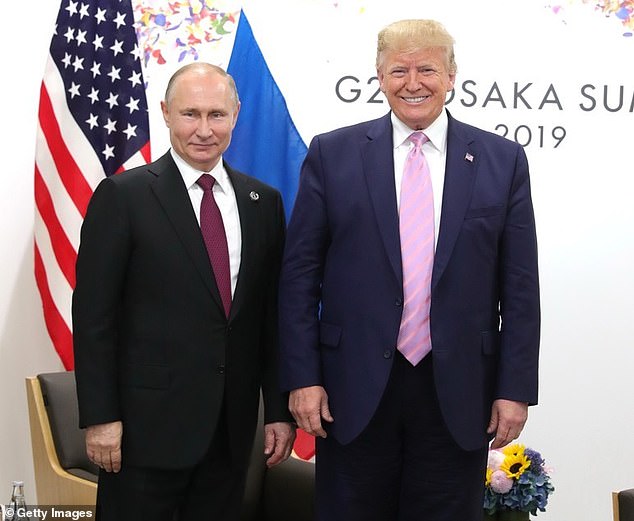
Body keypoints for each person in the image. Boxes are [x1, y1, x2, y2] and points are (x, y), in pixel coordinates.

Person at [278, 19, 540, 521]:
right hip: (349, 391)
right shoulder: (332, 153)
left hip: (459, 393)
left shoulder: (501, 160)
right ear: (379, 75)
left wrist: (514, 388)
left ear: (451, 75)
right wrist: (302, 377)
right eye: (399, 69)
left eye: (427, 69)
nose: (413, 82)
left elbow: (520, 288)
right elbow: (298, 279)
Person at [73, 62, 295, 521]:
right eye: (190, 114)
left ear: (236, 115)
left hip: (230, 434)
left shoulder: (263, 202)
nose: (204, 130)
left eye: (217, 115)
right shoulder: (123, 196)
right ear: (166, 114)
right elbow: (95, 317)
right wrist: (100, 417)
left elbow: (270, 320)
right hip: (142, 433)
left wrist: (277, 410)